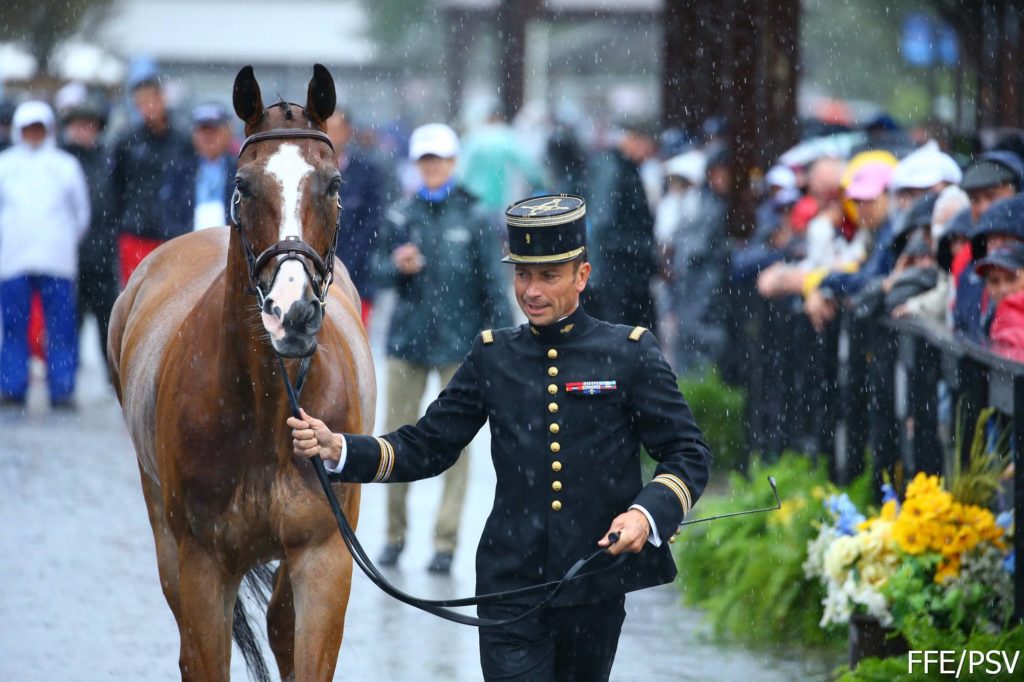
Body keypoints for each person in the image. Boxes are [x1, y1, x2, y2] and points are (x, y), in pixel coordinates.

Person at [288, 194, 711, 682]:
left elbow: (687, 453)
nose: (530, 290)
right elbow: (428, 445)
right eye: (522, 274)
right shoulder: (493, 356)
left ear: (582, 276)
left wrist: (646, 514)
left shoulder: (630, 353)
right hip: (508, 586)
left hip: (594, 584)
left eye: (548, 276)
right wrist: (342, 449)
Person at [371, 122, 511, 574]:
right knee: (395, 439)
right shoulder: (400, 214)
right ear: (416, 165)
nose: (432, 167)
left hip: (460, 347)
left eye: (439, 159)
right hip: (407, 342)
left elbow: (494, 284)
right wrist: (396, 266)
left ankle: (445, 543)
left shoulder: (474, 216)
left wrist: (507, 346)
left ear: (452, 163)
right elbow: (373, 272)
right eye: (425, 160)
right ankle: (393, 536)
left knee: (456, 447)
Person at [0, 101, 90, 408]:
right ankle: (12, 386)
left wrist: (64, 240)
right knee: (14, 329)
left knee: (61, 328)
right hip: (14, 260)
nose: (33, 134)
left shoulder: (65, 165)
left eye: (39, 128)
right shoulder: (5, 165)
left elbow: (81, 213)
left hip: (57, 260)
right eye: (28, 128)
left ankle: (62, 389)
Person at [109, 71, 192, 286]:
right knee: (138, 295)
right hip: (136, 232)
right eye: (141, 104)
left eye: (151, 101)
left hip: (174, 234)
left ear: (162, 98)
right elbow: (115, 187)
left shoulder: (182, 140)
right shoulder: (127, 141)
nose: (148, 108)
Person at [56, 86, 119, 361]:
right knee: (68, 322)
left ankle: (112, 377)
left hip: (103, 254)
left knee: (109, 321)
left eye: (90, 125)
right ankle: (65, 377)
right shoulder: (58, 159)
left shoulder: (109, 159)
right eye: (79, 124)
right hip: (68, 256)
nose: (85, 130)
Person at [585, 118, 658, 330]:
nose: (648, 155)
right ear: (634, 139)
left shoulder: (623, 167)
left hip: (626, 272)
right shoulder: (613, 169)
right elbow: (602, 223)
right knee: (621, 337)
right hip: (617, 274)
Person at [325, 108, 385, 327]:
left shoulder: (368, 172)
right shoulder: (307, 173)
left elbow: (373, 224)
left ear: (348, 132)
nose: (330, 135)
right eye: (325, 129)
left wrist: (343, 264)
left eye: (336, 129)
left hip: (356, 276)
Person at [166, 102, 237, 234]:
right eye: (203, 131)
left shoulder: (240, 169)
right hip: (189, 245)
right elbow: (169, 216)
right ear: (194, 136)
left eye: (214, 131)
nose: (208, 137)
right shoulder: (180, 171)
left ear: (227, 133)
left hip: (230, 245)